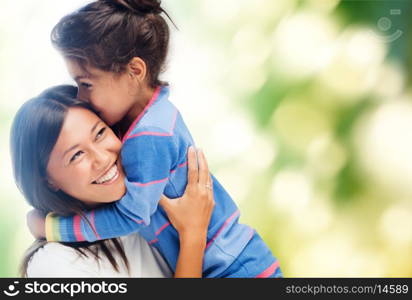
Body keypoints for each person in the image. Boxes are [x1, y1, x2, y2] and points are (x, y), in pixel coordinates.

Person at [30, 0, 282, 277]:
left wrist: (53, 228)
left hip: (233, 269)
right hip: (238, 259)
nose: (81, 96)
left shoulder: (147, 136)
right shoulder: (157, 114)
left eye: (86, 83)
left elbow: (131, 215)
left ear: (135, 72)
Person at [11, 85, 214, 277]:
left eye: (100, 133)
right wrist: (193, 235)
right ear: (48, 182)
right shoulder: (54, 265)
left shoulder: (147, 205)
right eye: (76, 155)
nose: (102, 158)